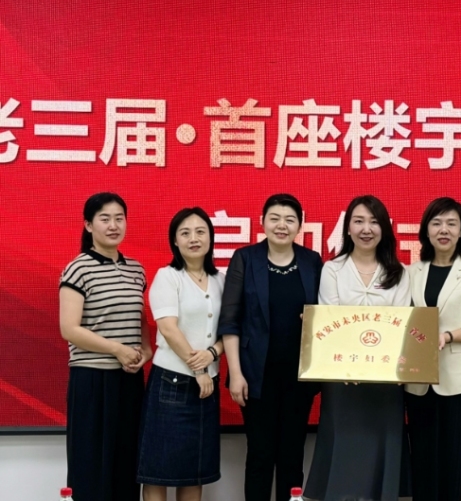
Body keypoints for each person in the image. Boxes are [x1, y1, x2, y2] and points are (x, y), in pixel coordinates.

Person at [218, 194, 324, 501]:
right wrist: (236, 373)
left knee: (292, 455)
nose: (282, 225)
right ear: (262, 222)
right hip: (255, 376)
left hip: (298, 377)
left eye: (290, 219)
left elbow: (325, 314)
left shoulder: (311, 261)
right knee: (260, 455)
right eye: (275, 218)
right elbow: (230, 320)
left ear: (300, 225)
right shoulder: (246, 258)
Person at [305, 195, 412, 501]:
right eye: (359, 221)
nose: (367, 229)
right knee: (344, 453)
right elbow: (331, 322)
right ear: (348, 228)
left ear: (384, 229)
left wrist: (375, 365)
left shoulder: (399, 272)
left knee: (382, 454)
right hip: (342, 380)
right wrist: (349, 367)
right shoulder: (333, 269)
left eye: (374, 222)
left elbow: (399, 323)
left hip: (386, 381)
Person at [59, 192, 152, 501]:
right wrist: (116, 349)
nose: (113, 225)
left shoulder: (136, 269)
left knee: (126, 465)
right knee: (91, 467)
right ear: (88, 225)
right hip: (92, 380)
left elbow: (139, 320)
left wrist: (145, 352)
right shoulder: (78, 268)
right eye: (105, 219)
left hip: (129, 380)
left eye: (119, 218)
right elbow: (69, 329)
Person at [405, 197, 461, 501]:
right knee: (422, 462)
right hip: (419, 382)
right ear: (426, 230)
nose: (444, 230)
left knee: (455, 465)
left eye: (452, 224)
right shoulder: (411, 271)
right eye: (437, 223)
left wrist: (449, 335)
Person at [137, 208, 225, 500]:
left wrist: (213, 353)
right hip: (171, 384)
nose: (193, 239)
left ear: (211, 236)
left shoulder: (221, 279)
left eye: (200, 232)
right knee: (158, 470)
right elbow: (168, 328)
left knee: (194, 470)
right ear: (175, 241)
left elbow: (230, 330)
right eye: (185, 233)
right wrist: (198, 369)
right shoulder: (168, 276)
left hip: (208, 386)